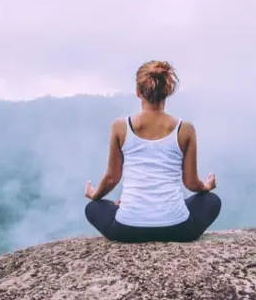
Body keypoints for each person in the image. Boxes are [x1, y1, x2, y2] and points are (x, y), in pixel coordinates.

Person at [84, 60, 221, 243]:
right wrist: (206, 187)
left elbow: (111, 178)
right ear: (168, 92)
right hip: (179, 229)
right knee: (211, 201)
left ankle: (132, 210)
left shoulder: (120, 127)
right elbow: (190, 182)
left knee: (93, 207)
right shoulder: (185, 129)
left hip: (127, 230)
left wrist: (95, 195)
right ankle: (162, 213)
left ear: (138, 92)